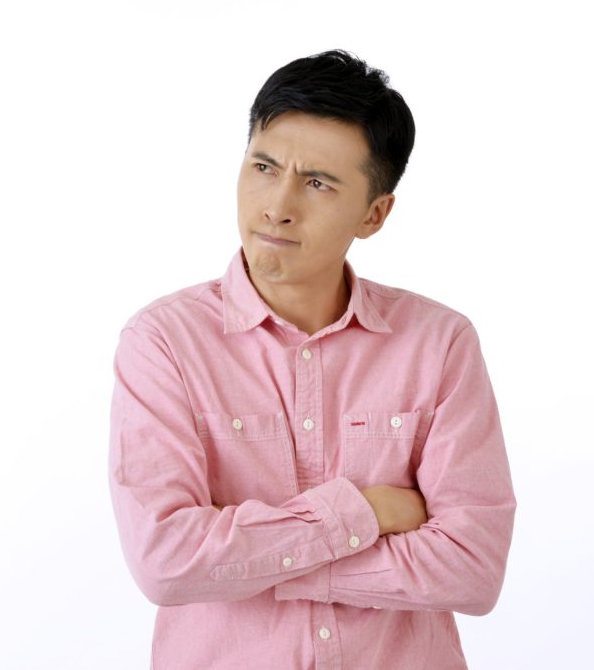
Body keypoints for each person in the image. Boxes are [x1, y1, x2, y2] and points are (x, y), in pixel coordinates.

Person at [107, 49, 516, 669]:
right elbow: (166, 562)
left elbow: (472, 568)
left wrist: (253, 563)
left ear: (374, 214)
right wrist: (366, 512)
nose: (277, 205)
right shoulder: (163, 343)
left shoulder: (439, 344)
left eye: (318, 183)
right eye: (264, 167)